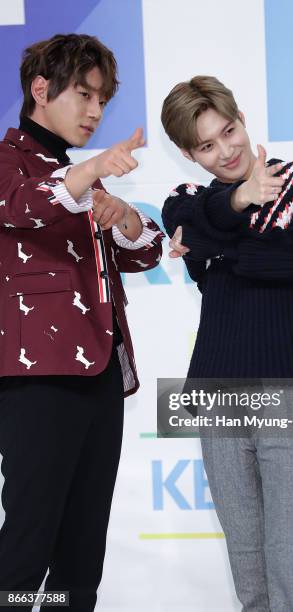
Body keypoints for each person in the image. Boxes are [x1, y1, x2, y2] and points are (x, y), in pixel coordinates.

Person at [161, 76, 293, 612]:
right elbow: (185, 223)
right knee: (250, 577)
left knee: (289, 574)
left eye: (229, 130)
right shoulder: (190, 197)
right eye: (207, 146)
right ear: (187, 155)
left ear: (240, 117)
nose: (226, 150)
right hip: (217, 395)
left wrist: (221, 251)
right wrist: (239, 203)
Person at [0, 33, 163, 611]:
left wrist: (123, 219)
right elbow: (23, 205)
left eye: (103, 100)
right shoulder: (14, 166)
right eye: (84, 95)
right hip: (38, 377)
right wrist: (87, 174)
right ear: (40, 90)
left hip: (101, 374)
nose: (95, 112)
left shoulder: (79, 179)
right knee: (28, 539)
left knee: (82, 546)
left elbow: (147, 254)